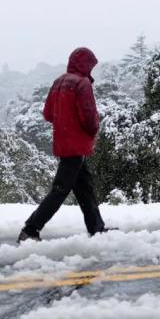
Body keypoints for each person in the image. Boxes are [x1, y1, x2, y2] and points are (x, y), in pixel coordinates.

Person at [18, 47, 110, 243]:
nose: (91, 70)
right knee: (60, 190)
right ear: (84, 64)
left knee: (85, 188)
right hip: (76, 145)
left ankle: (97, 228)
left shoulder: (59, 82)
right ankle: (30, 228)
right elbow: (88, 117)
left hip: (64, 143)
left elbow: (48, 114)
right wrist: (93, 130)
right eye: (90, 66)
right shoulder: (82, 84)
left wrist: (65, 122)